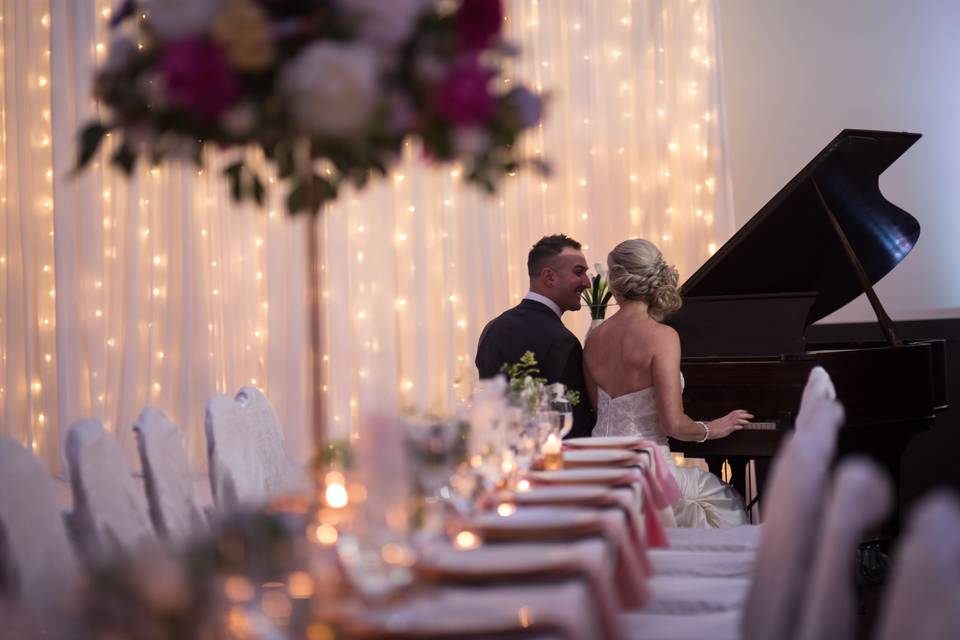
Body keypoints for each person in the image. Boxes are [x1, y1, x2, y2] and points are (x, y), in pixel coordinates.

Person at [583, 238, 750, 527]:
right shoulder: (662, 336)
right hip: (647, 474)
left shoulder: (593, 338)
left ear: (615, 282)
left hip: (599, 472)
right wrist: (713, 428)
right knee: (723, 503)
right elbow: (674, 425)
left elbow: (598, 407)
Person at [475, 234, 596, 438]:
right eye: (578, 272)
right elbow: (571, 424)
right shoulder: (562, 341)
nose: (587, 283)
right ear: (549, 277)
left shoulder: (493, 327)